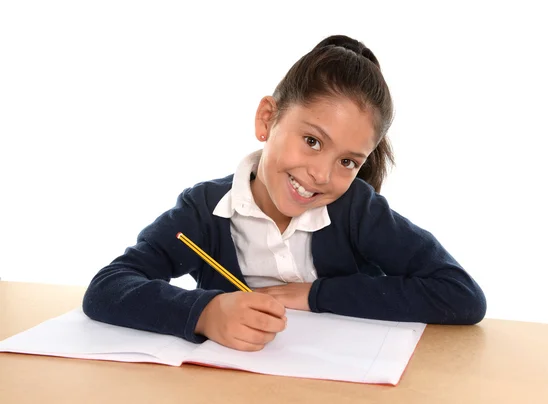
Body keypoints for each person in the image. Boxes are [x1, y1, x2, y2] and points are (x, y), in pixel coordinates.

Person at [83, 34, 486, 352]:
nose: (321, 174)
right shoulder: (204, 210)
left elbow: (461, 296)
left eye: (348, 161)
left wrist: (316, 295)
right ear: (267, 119)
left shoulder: (357, 210)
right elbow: (108, 287)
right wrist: (203, 312)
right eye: (312, 140)